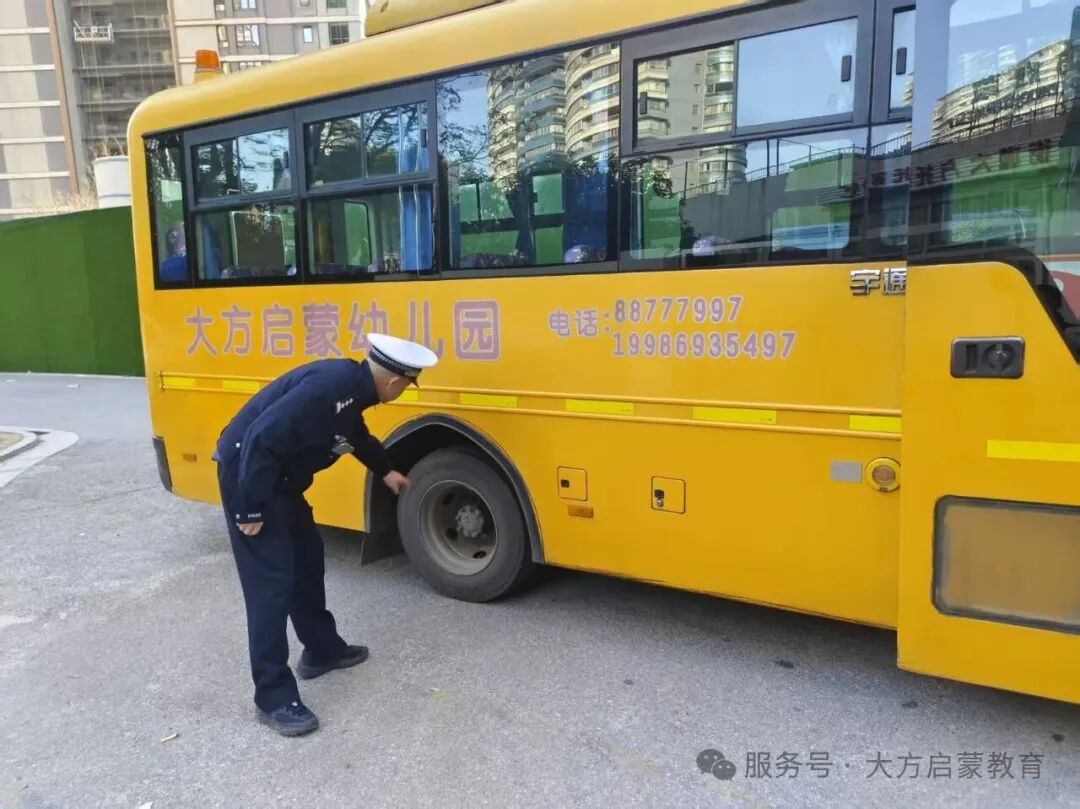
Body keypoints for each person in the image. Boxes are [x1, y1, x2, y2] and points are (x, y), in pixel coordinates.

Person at [213, 333, 439, 736]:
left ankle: (321, 649)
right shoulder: (330, 388)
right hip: (250, 477)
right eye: (406, 385)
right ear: (394, 382)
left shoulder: (352, 390)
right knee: (271, 586)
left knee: (307, 560)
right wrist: (249, 507)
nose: (404, 391)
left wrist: (385, 470)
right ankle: (273, 697)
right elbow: (260, 438)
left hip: (278, 481)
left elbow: (354, 434)